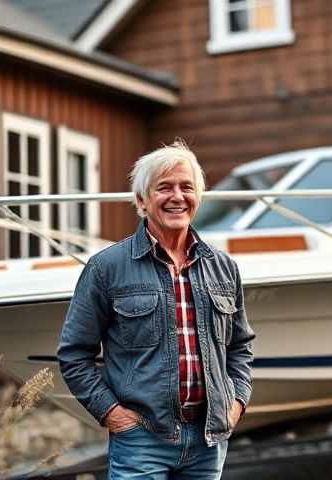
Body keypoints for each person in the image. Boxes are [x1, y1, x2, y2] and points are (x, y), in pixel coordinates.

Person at [57, 140, 255, 479]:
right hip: (140, 441)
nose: (177, 196)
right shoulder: (106, 268)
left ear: (198, 198)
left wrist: (235, 403)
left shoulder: (224, 268)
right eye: (164, 188)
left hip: (209, 441)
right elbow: (74, 354)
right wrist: (112, 414)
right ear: (141, 201)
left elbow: (240, 347)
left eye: (186, 187)